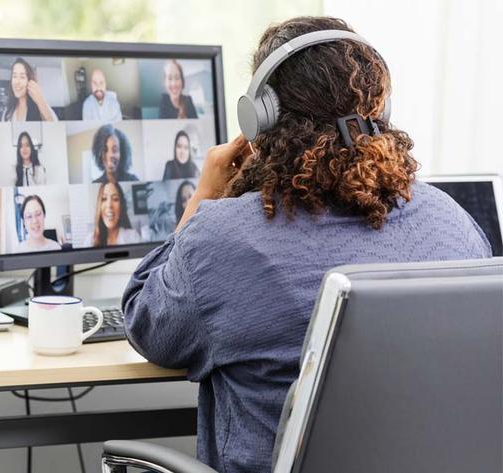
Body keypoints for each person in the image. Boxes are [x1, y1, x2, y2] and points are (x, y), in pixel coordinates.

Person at [122, 16, 492, 473]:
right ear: (383, 112)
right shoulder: (452, 221)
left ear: (259, 119)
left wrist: (204, 197)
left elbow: (148, 326)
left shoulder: (225, 237)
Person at [1, 57, 58, 122]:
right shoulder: (8, 111)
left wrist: (40, 100)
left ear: (30, 81)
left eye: (22, 77)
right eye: (14, 76)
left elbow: (55, 127)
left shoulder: (40, 106)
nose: (17, 82)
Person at [88, 182, 139, 246]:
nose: (109, 205)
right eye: (104, 199)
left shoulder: (133, 237)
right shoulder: (90, 241)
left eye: (115, 199)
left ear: (121, 206)